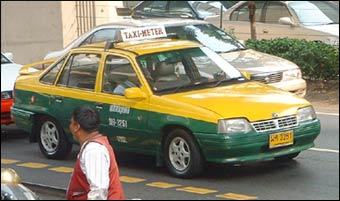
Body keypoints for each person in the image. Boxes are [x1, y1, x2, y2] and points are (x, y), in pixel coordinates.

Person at [67, 105, 125, 200]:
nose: (70, 126)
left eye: (71, 123)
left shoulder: (93, 151)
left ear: (77, 126)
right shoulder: (95, 145)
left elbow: (99, 191)